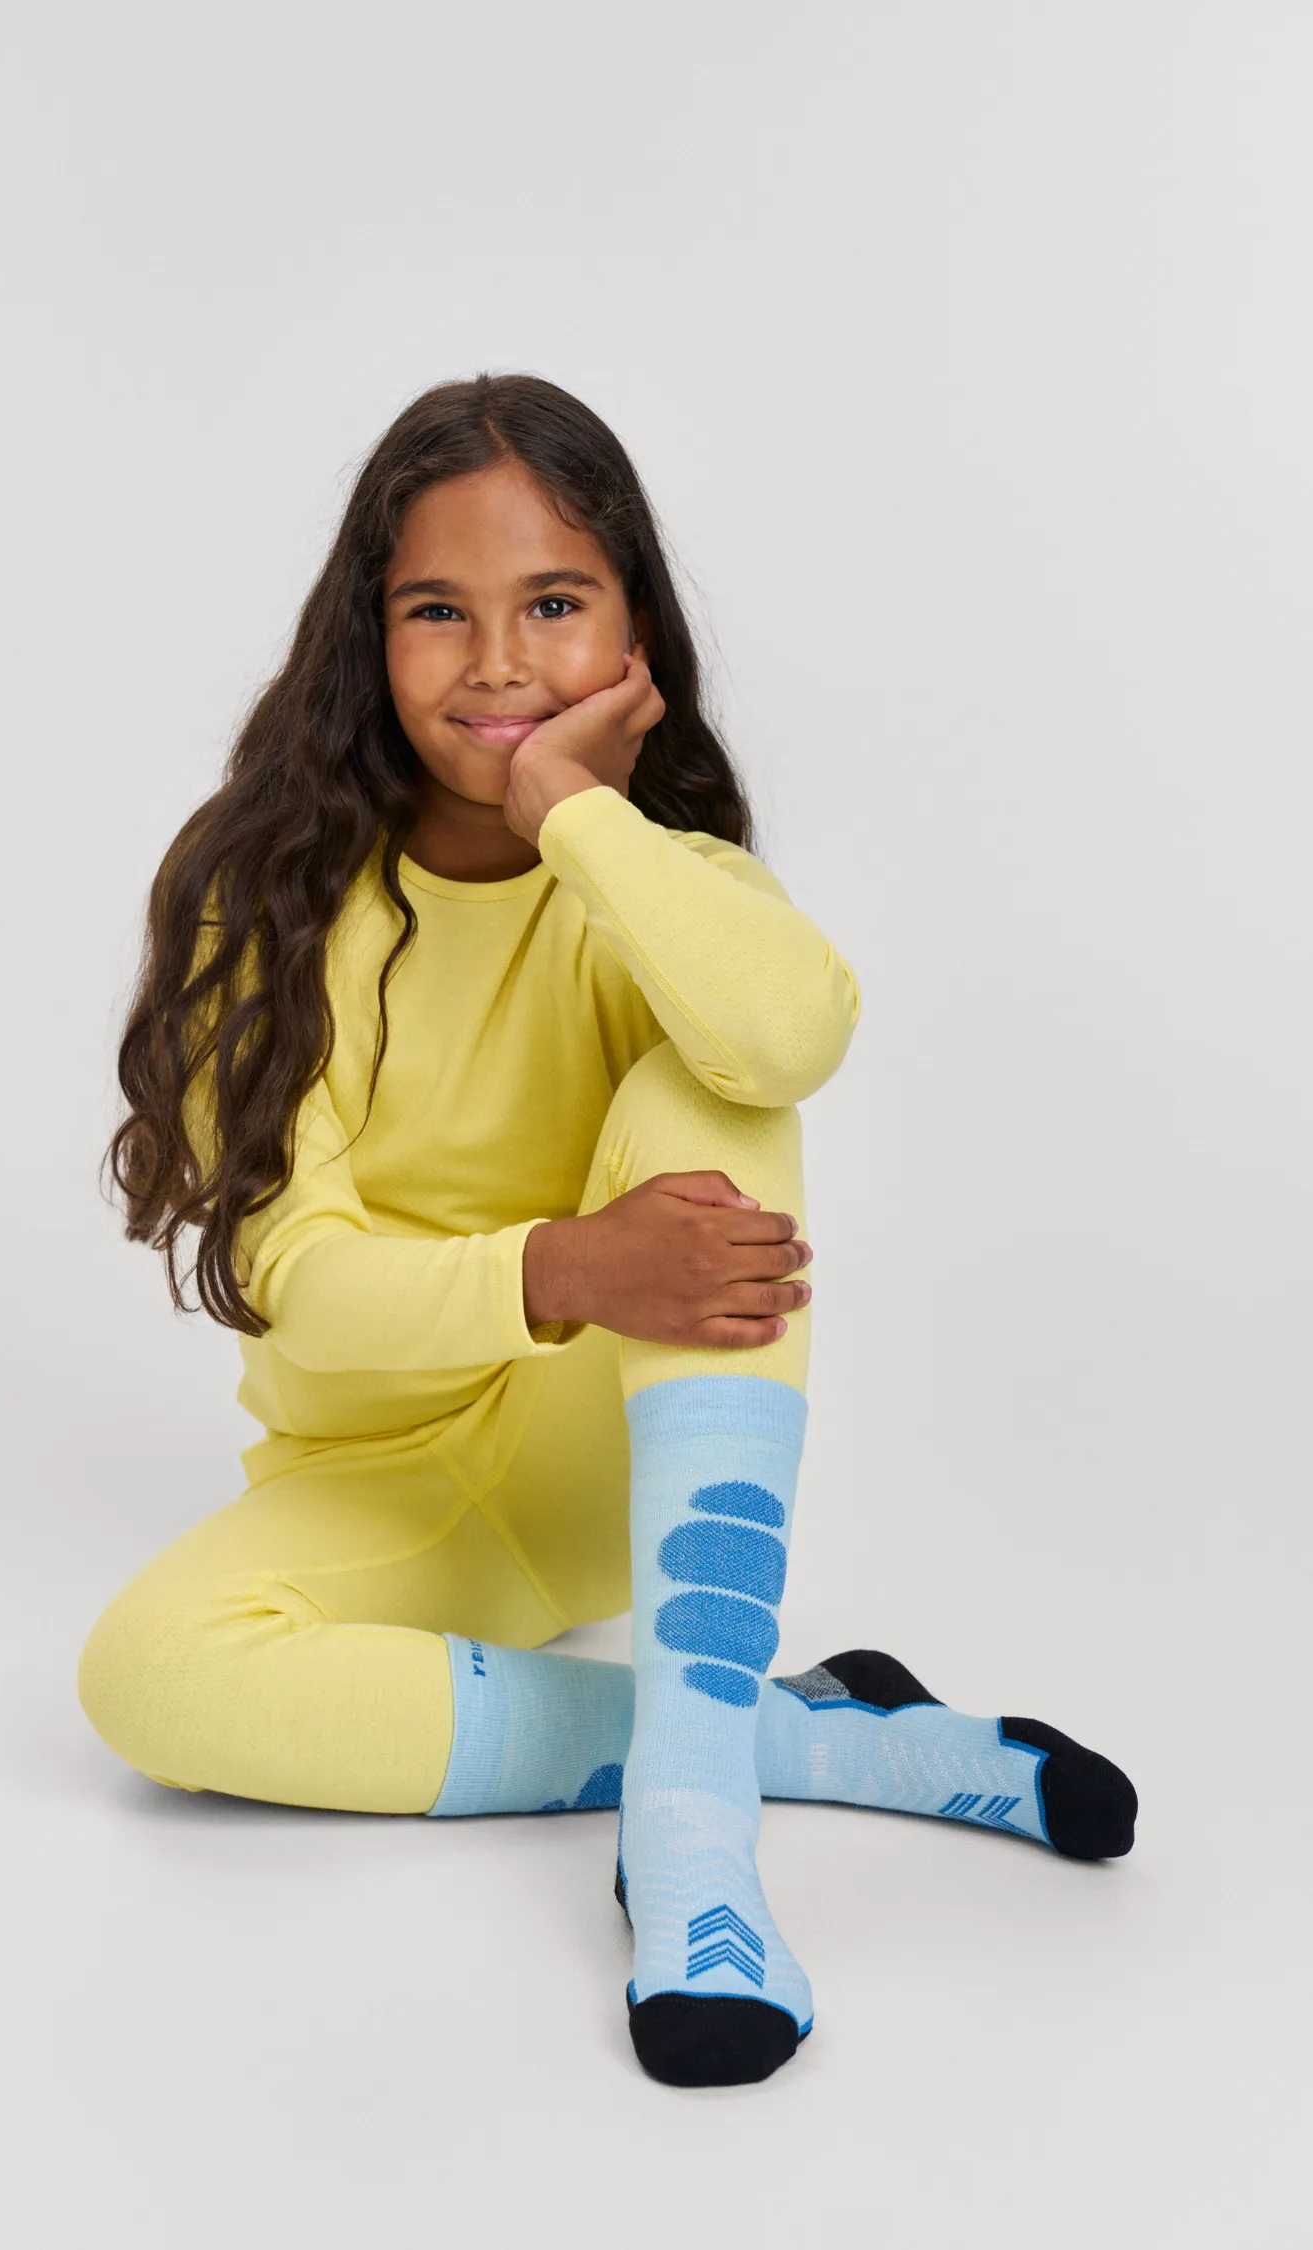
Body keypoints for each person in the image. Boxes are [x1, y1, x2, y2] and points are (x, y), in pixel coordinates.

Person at [78, 373, 1136, 2088]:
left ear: (634, 632)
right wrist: (568, 1265)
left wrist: (576, 814)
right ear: (367, 636)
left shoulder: (653, 877)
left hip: (603, 1464)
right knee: (147, 1679)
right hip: (383, 1482)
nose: (499, 664)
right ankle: (799, 1734)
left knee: (722, 1091)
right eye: (440, 611)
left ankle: (695, 1841)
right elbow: (297, 1283)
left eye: (555, 604)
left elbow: (788, 1037)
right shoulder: (260, 901)